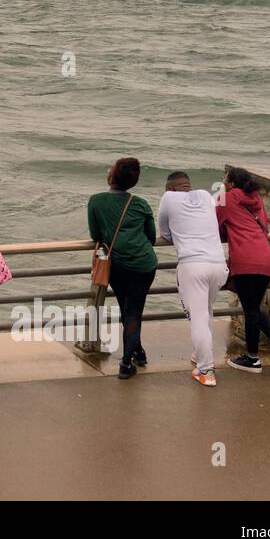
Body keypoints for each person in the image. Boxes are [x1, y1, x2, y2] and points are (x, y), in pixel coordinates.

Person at [218, 166, 270, 373]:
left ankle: (253, 359)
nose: (223, 180)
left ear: (232, 183)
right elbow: (263, 223)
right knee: (254, 308)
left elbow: (215, 224)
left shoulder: (226, 198)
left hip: (245, 260)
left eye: (225, 177)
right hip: (265, 258)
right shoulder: (256, 198)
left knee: (251, 310)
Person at [87, 157, 157, 379]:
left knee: (127, 309)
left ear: (112, 176)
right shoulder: (140, 204)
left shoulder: (96, 201)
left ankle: (127, 363)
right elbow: (152, 237)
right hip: (144, 265)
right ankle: (136, 353)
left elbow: (95, 235)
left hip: (116, 265)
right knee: (134, 311)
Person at [157, 171, 227, 387]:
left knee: (197, 317)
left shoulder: (168, 198)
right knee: (206, 312)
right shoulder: (206, 195)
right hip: (218, 264)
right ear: (188, 185)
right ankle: (200, 355)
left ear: (170, 188)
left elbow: (164, 232)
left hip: (193, 264)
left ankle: (206, 370)